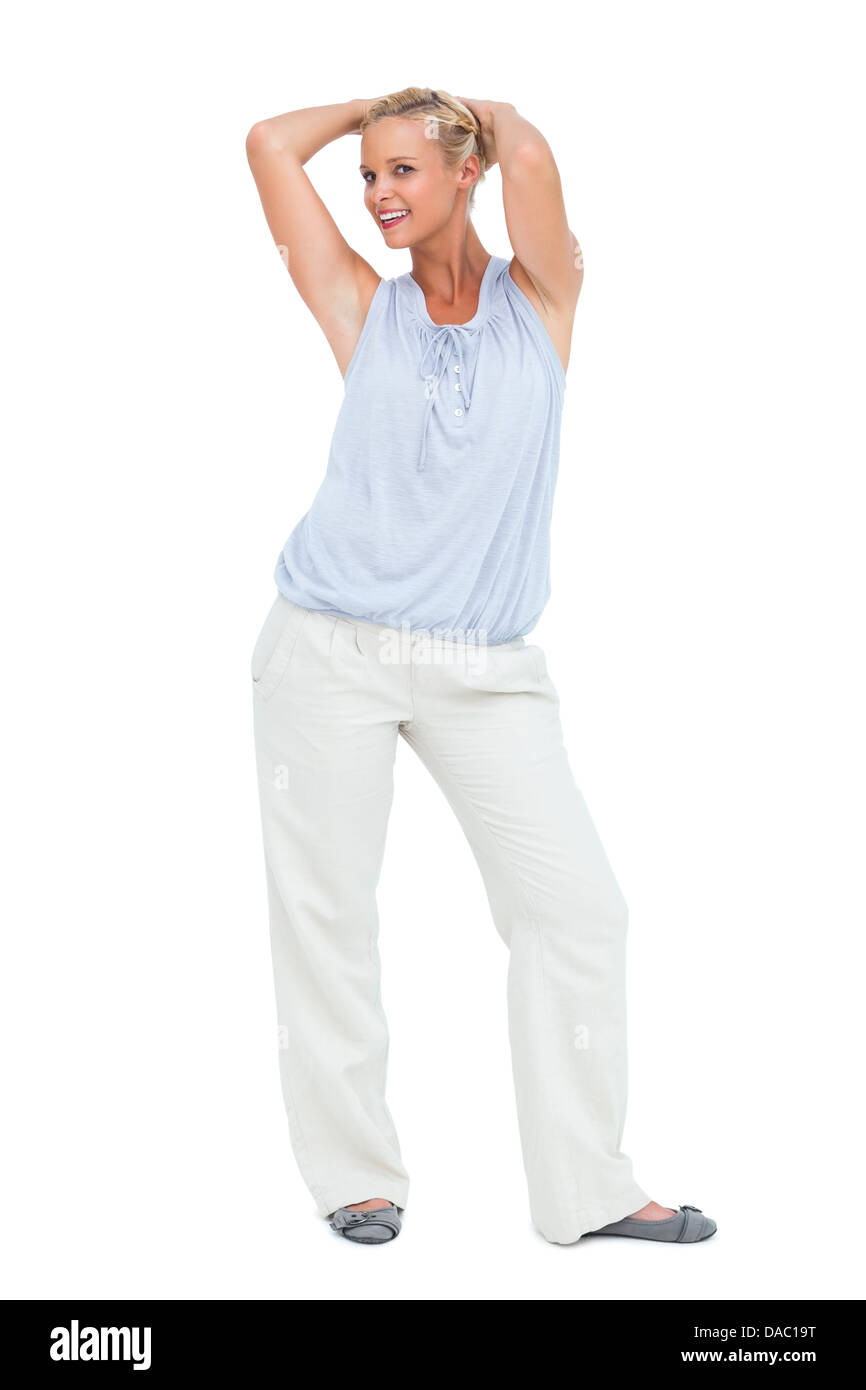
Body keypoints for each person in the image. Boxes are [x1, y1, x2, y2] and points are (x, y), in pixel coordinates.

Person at [244, 88, 717, 1247]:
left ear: (467, 173)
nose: (377, 195)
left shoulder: (542, 301)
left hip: (486, 668)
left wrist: (468, 112)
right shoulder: (359, 303)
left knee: (576, 911)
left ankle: (589, 1190)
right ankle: (355, 1174)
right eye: (366, 177)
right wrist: (377, 110)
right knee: (328, 915)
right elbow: (265, 145)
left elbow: (534, 156)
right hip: (330, 651)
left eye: (403, 170)